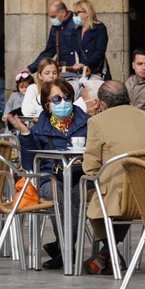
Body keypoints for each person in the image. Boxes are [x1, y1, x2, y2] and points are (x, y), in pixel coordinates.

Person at [81, 80, 145, 274]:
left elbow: (90, 168)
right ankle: (107, 255)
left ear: (102, 103)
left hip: (120, 197)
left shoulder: (97, 121)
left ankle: (107, 253)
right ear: (128, 97)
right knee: (117, 191)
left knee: (89, 195)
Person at [8, 78, 89, 270]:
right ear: (47, 105)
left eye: (67, 97)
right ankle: (67, 250)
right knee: (58, 195)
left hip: (80, 175)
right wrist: (25, 134)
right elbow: (30, 163)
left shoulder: (88, 123)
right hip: (50, 177)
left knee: (78, 196)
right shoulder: (40, 128)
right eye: (57, 99)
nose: (63, 102)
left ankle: (63, 248)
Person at [24, 1, 81, 74]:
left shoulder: (77, 23)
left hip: (77, 70)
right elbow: (49, 51)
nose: (53, 20)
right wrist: (31, 68)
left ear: (63, 12)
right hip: (61, 70)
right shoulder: (56, 27)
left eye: (54, 16)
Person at [71, 0, 111, 79]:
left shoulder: (99, 28)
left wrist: (85, 64)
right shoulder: (76, 30)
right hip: (80, 73)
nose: (75, 16)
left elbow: (100, 51)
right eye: (74, 13)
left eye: (77, 13)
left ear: (86, 13)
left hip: (95, 71)